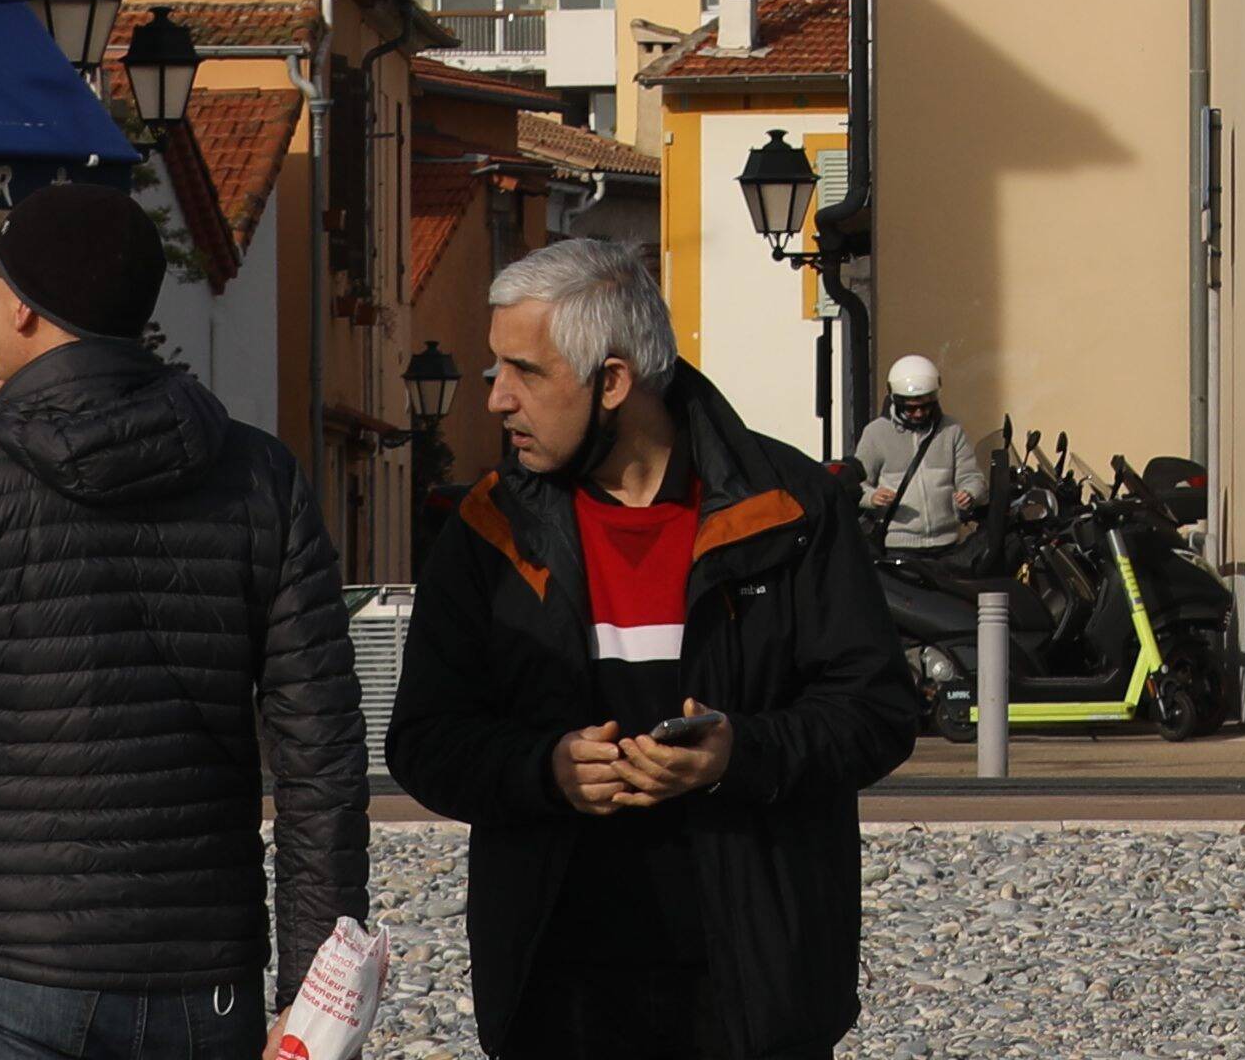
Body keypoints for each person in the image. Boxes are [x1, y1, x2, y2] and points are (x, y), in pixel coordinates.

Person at [0, 176, 367, 1060]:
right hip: (210, 965)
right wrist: (315, 978)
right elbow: (321, 749)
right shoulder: (258, 475)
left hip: (31, 956)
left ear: (27, 312)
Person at [389, 232, 924, 1060]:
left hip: (754, 987)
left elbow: (878, 712)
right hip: (554, 996)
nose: (496, 399)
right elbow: (425, 741)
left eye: (525, 372)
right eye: (497, 369)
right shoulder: (487, 529)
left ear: (612, 382)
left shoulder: (789, 508)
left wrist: (738, 754)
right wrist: (544, 771)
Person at [845, 358, 986, 597]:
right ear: (895, 400)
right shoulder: (876, 433)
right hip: (898, 550)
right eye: (910, 408)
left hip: (947, 548)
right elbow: (856, 484)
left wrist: (969, 493)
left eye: (926, 405)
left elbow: (972, 476)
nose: (919, 413)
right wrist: (873, 497)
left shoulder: (951, 430)